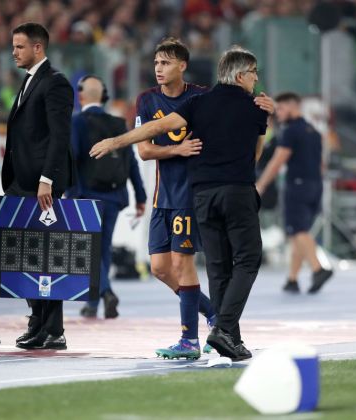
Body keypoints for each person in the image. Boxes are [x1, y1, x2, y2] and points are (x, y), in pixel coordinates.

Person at [90, 46, 273, 361]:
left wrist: (116, 141)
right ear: (242, 75)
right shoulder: (255, 106)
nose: (256, 79)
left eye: (165, 62)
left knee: (216, 268)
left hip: (201, 195)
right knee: (247, 260)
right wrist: (267, 115)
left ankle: (227, 338)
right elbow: (255, 152)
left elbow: (157, 128)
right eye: (254, 73)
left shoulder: (198, 102)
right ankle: (223, 328)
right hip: (234, 191)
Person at [135, 38, 218, 359]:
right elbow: (144, 151)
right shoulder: (146, 100)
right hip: (162, 197)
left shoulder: (201, 97)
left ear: (182, 66)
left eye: (165, 63)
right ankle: (214, 315)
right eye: (156, 63)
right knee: (159, 268)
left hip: (189, 195)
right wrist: (176, 149)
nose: (158, 69)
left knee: (183, 265)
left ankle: (189, 340)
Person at [4, 23, 74, 350]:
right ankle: (38, 322)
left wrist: (48, 179)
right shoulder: (30, 81)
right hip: (22, 182)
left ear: (37, 48)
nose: (14, 52)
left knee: (46, 254)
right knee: (25, 254)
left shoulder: (55, 83)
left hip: (40, 185)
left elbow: (60, 136)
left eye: (19, 47)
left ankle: (53, 328)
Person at [67, 74, 147, 319]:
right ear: (103, 97)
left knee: (88, 251)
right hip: (114, 196)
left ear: (80, 97)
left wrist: (71, 193)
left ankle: (105, 292)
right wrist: (140, 196)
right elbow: (131, 161)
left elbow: (72, 157)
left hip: (87, 196)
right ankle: (93, 303)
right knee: (102, 249)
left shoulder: (77, 122)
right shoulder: (118, 123)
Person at [255, 92, 333, 294]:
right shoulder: (313, 131)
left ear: (291, 106)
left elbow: (278, 160)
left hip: (297, 185)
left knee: (298, 231)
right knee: (299, 232)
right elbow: (321, 163)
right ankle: (292, 279)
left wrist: (261, 185)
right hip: (315, 185)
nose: (277, 113)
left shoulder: (290, 131)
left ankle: (318, 269)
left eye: (280, 109)